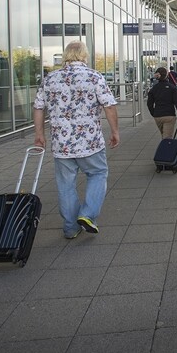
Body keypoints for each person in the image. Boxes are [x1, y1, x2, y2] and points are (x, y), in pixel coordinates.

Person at [33, 40, 120, 239]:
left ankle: (71, 228)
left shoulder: (50, 78)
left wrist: (39, 135)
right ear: (84, 55)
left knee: (66, 185)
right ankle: (87, 215)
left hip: (61, 145)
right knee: (98, 173)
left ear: (66, 55)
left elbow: (38, 107)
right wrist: (115, 131)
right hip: (90, 142)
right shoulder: (94, 76)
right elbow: (109, 105)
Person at [147, 66, 177, 138]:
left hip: (158, 116)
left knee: (164, 135)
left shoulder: (153, 89)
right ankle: (166, 145)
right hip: (169, 116)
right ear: (167, 75)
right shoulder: (172, 88)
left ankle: (164, 144)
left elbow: (149, 103)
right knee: (167, 138)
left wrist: (154, 113)